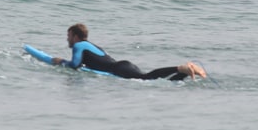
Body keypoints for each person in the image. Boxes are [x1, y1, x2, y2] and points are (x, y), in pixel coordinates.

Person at [51, 23, 207, 80]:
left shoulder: (79, 46)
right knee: (156, 80)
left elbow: (75, 65)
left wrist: (60, 61)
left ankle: (180, 68)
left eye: (68, 36)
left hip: (119, 68)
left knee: (146, 78)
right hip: (122, 65)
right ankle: (185, 72)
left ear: (76, 36)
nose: (67, 39)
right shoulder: (90, 46)